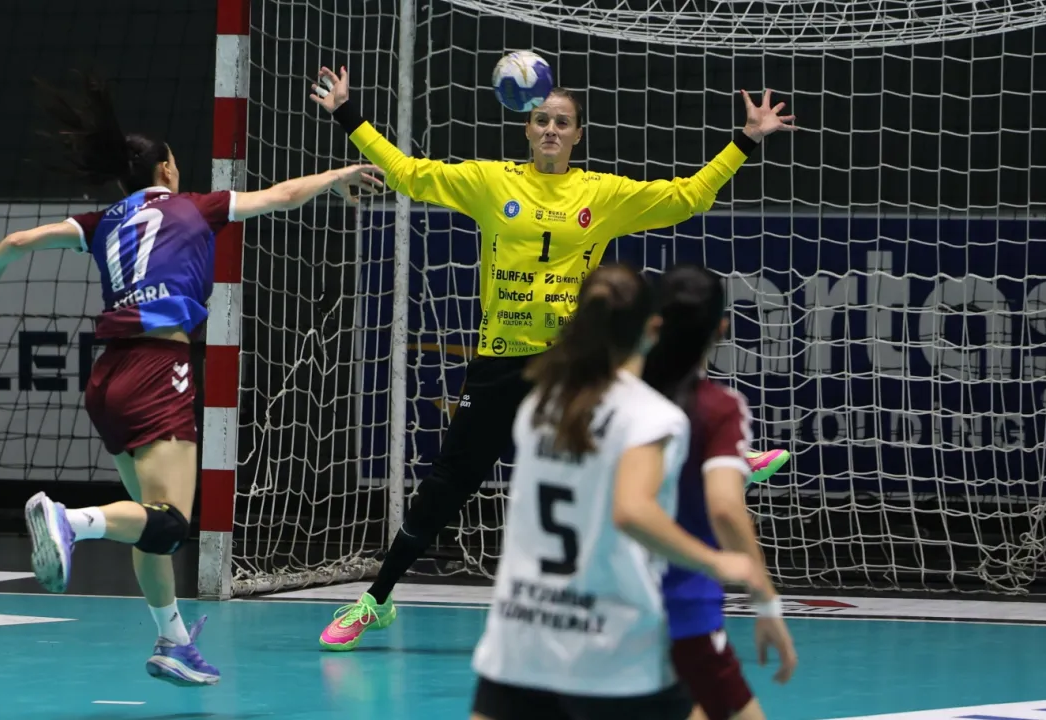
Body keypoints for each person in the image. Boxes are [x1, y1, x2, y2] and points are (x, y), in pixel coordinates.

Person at [310, 64, 794, 650]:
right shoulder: (491, 182)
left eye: (562, 123)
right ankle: (376, 600)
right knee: (447, 486)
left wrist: (746, 139)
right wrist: (348, 114)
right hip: (501, 361)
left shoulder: (601, 194)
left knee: (630, 444)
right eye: (542, 120)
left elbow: (688, 196)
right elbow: (409, 174)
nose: (550, 130)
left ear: (577, 134)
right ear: (526, 126)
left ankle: (725, 462)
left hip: (568, 363)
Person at [0, 71, 383, 686]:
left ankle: (172, 641)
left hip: (107, 379)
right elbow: (282, 195)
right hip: (159, 369)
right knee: (172, 522)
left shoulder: (104, 220)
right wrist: (340, 175)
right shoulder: (195, 207)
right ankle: (69, 521)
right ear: (168, 169)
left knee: (150, 524)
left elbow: (22, 238)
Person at [470, 264, 770, 720]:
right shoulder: (651, 416)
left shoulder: (540, 404)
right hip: (610, 642)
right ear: (652, 329)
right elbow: (631, 511)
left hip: (521, 634)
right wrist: (717, 561)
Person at [643, 266, 798, 720]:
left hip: (603, 604)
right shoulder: (717, 408)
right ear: (722, 328)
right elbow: (726, 510)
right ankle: (739, 466)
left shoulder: (608, 400)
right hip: (682, 604)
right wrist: (766, 603)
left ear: (653, 323)